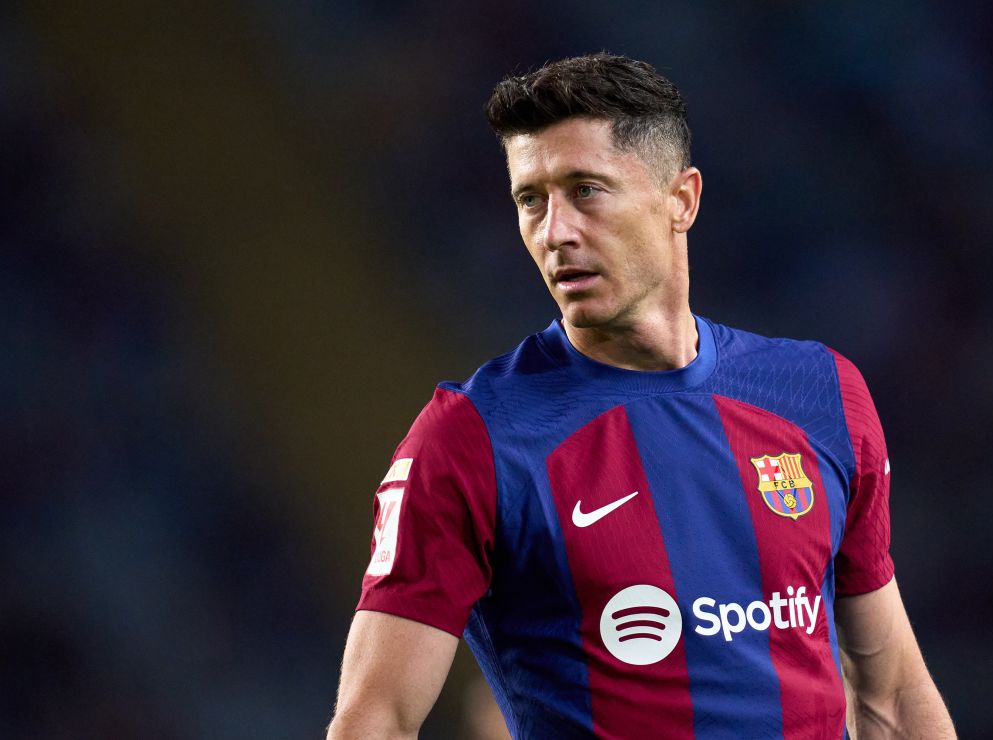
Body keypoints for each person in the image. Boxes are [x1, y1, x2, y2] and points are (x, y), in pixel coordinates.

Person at [327, 53, 956, 739]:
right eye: (530, 199)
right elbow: (375, 719)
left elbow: (891, 696)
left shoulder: (822, 395)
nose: (554, 231)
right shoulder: (473, 437)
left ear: (681, 199)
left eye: (586, 190)